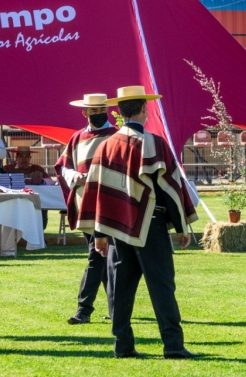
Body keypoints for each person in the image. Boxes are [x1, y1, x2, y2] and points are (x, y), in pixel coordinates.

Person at [77, 85, 199, 359]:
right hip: (151, 226)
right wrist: (181, 227)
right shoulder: (154, 143)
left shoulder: (105, 146)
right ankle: (173, 346)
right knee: (162, 286)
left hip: (117, 228)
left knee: (119, 288)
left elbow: (97, 193)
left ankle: (123, 345)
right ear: (145, 108)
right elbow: (170, 189)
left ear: (119, 111)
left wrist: (99, 234)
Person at [55, 93, 118, 325]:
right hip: (84, 206)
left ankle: (84, 309)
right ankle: (116, 306)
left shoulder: (116, 136)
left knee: (96, 256)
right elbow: (64, 166)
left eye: (102, 109)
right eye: (94, 111)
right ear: (85, 113)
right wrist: (75, 177)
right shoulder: (77, 138)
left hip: (109, 205)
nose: (99, 114)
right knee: (102, 258)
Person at [3, 146, 52, 229]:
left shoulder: (38, 169)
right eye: (21, 156)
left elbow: (51, 182)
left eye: (26, 157)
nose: (24, 159)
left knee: (42, 207)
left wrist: (41, 181)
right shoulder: (7, 168)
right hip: (14, 202)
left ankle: (40, 233)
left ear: (30, 158)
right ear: (16, 158)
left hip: (34, 202)